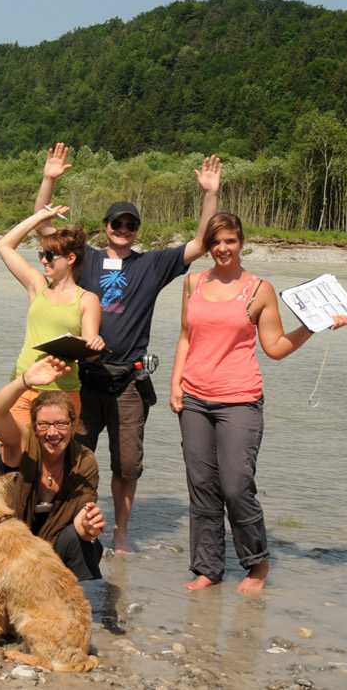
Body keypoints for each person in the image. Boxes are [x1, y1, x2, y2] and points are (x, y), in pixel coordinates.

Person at [34, 145, 221, 553]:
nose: (123, 228)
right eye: (116, 223)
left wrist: (210, 194)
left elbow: (201, 244)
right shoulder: (85, 260)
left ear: (137, 230)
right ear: (105, 227)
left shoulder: (152, 265)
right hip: (84, 379)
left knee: (128, 463)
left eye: (130, 224)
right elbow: (45, 234)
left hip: (129, 382)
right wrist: (49, 179)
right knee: (74, 455)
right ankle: (75, 525)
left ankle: (119, 531)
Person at [168, 213, 347, 594]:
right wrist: (175, 385)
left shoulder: (258, 289)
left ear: (241, 243)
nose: (222, 248)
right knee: (202, 486)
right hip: (195, 399)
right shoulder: (192, 283)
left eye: (230, 241)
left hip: (240, 400)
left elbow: (276, 348)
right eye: (216, 241)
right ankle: (208, 568)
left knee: (236, 487)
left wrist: (315, 324)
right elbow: (186, 337)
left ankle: (257, 565)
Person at [0, 355, 108, 582]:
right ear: (34, 425)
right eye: (44, 425)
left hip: (49, 539)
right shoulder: (21, 444)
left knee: (83, 541)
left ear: (73, 425)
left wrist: (89, 527)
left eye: (61, 424)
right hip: (7, 536)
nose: (52, 433)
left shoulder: (84, 461)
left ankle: (58, 592)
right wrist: (26, 380)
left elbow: (81, 513)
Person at [0, 203, 105, 433]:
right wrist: (38, 217)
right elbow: (4, 245)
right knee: (13, 458)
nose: (44, 261)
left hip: (62, 392)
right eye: (42, 255)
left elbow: (92, 351)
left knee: (54, 462)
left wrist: (95, 343)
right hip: (25, 384)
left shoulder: (87, 299)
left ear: (70, 258)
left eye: (49, 256)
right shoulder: (37, 286)